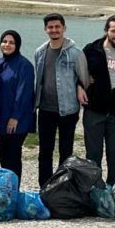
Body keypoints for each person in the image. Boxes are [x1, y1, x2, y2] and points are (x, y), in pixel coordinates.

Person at [32, 14, 88, 187]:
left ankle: (63, 186)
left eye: (57, 27)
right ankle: (45, 186)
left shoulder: (76, 53)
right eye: (50, 27)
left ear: (64, 28)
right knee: (45, 151)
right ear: (45, 29)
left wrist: (79, 85)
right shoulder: (39, 52)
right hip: (46, 110)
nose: (54, 30)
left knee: (66, 151)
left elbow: (84, 79)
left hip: (68, 110)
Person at [82, 15, 115, 185]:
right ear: (106, 31)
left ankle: (113, 188)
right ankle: (94, 190)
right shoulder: (91, 50)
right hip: (94, 110)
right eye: (114, 31)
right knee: (93, 154)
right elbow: (75, 73)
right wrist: (78, 87)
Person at [0, 30, 35, 183]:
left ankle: (14, 192)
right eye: (4, 41)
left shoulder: (24, 65)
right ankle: (7, 192)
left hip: (16, 120)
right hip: (0, 119)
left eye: (11, 42)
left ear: (17, 45)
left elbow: (24, 93)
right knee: (3, 158)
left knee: (12, 157)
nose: (7, 45)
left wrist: (15, 117)